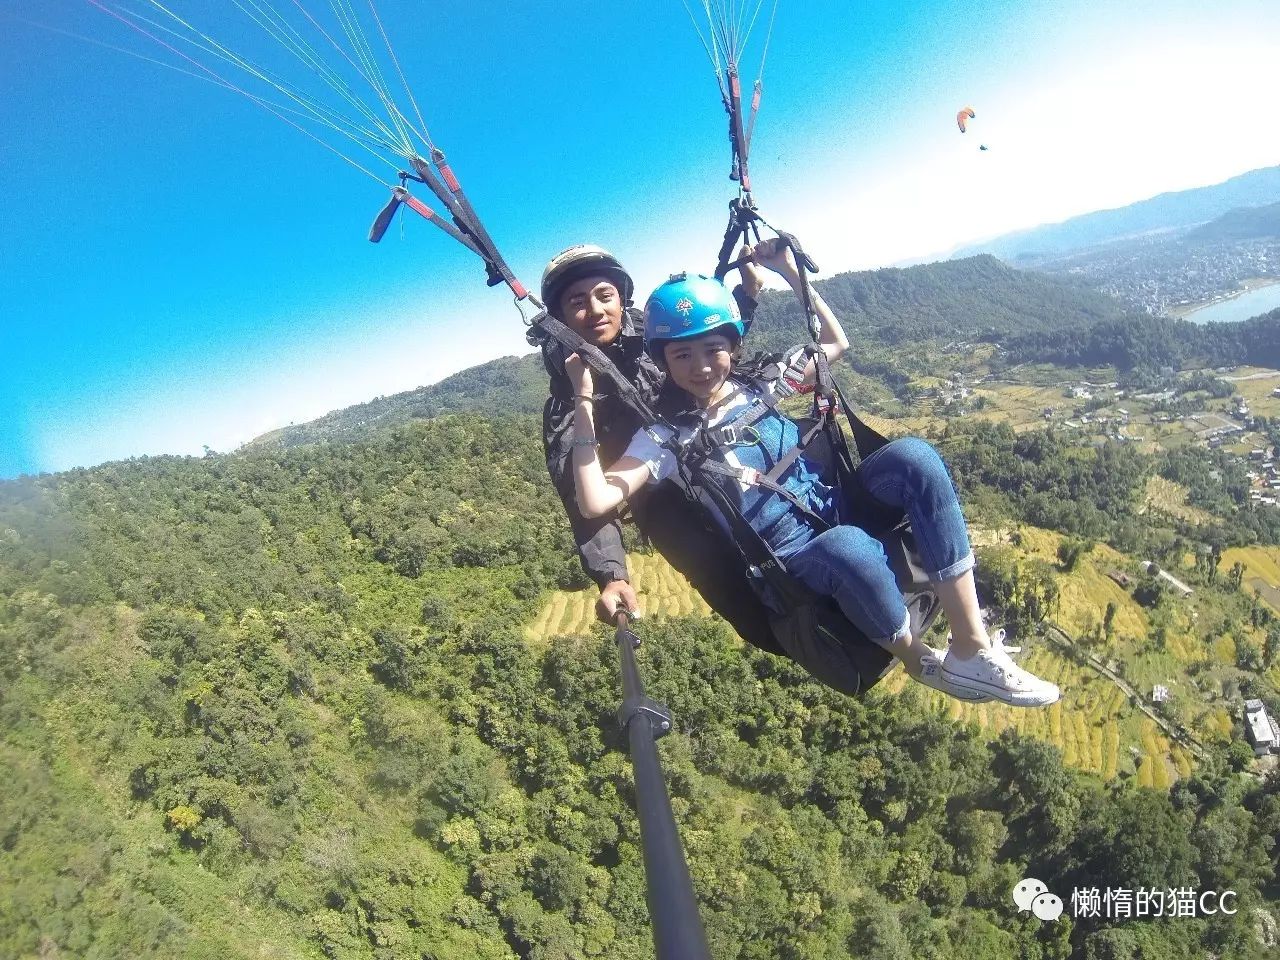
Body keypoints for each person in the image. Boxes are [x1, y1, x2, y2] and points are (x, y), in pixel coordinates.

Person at [563, 244, 1060, 707]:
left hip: (832, 505)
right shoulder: (666, 437)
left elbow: (833, 343)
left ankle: (971, 646)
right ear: (664, 361)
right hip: (790, 559)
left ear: (732, 347)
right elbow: (596, 500)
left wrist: (790, 273)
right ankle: (919, 660)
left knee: (915, 457)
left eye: (713, 349)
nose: (701, 367)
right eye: (682, 355)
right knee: (847, 547)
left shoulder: (757, 384)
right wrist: (582, 399)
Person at [537, 244, 788, 657]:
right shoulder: (568, 398)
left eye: (605, 295)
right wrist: (611, 573)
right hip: (656, 495)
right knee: (714, 570)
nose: (596, 310)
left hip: (709, 449)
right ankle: (789, 640)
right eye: (577, 303)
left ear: (622, 299)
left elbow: (704, 346)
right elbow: (578, 490)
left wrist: (748, 295)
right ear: (561, 317)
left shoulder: (653, 338)